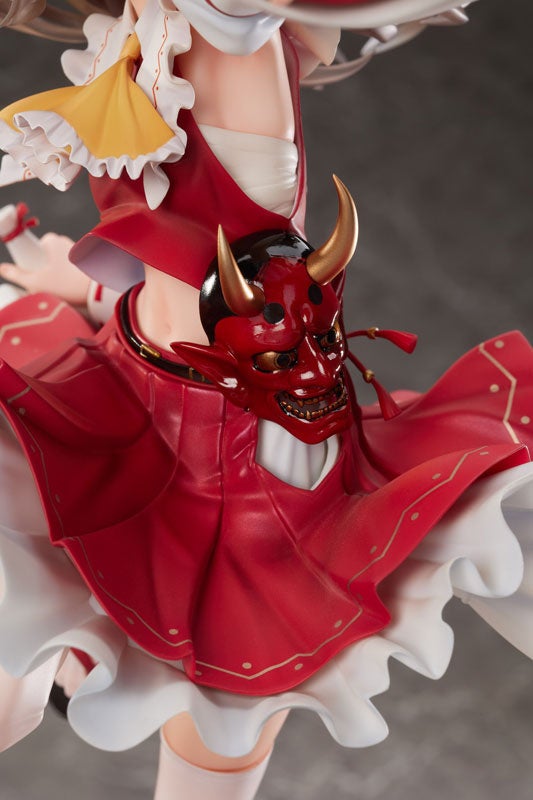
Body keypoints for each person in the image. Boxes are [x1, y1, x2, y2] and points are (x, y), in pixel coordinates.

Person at [2, 2, 532, 800]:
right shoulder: (167, 38)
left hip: (240, 461)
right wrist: (87, 288)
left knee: (222, 716)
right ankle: (69, 661)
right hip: (132, 381)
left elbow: (233, 286)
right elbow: (184, 259)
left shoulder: (237, 51)